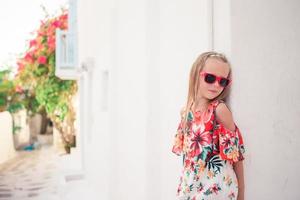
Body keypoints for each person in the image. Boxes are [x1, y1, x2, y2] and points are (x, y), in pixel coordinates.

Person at [172, 51, 246, 200]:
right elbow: (188, 160)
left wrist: (241, 196)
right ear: (195, 75)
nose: (216, 85)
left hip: (216, 188)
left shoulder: (219, 110)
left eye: (223, 81)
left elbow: (236, 158)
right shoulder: (186, 112)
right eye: (210, 78)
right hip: (191, 186)